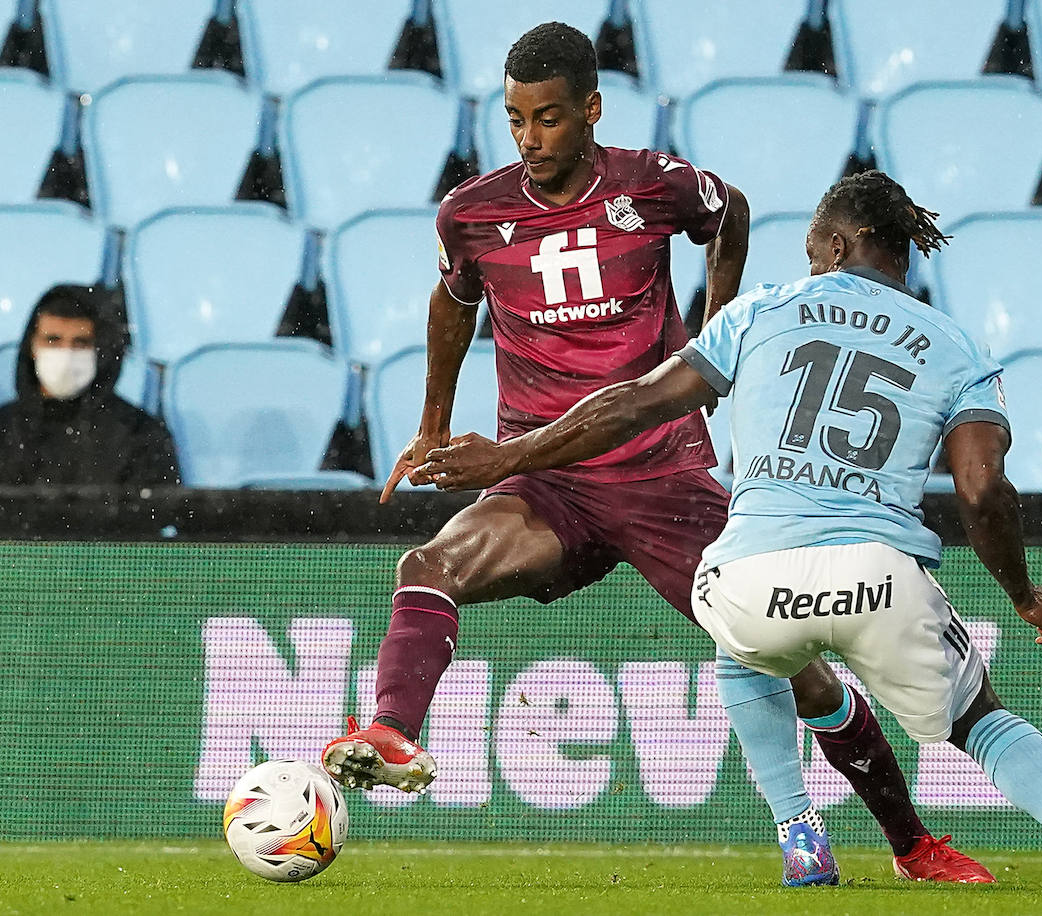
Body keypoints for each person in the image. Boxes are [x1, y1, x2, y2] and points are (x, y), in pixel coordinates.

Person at [321, 23, 990, 886]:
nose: (530, 139)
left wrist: (716, 329)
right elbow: (454, 302)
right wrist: (433, 422)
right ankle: (391, 732)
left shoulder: (655, 184)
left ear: (591, 110)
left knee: (795, 669)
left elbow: (731, 212)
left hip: (660, 475)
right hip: (547, 481)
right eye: (517, 119)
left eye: (550, 118)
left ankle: (909, 843)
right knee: (429, 563)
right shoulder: (472, 213)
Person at [418, 170, 1042, 892]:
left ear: (834, 245)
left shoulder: (761, 310)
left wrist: (512, 452)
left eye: (812, 249)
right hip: (878, 578)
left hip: (749, 575)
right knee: (979, 719)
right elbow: (983, 489)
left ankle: (798, 831)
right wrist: (1022, 596)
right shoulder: (955, 347)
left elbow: (630, 405)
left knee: (741, 644)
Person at [0, 285, 179, 487]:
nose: (66, 355)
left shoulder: (140, 434)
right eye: (53, 340)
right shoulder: (4, 429)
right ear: (31, 346)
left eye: (80, 343)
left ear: (99, 351)